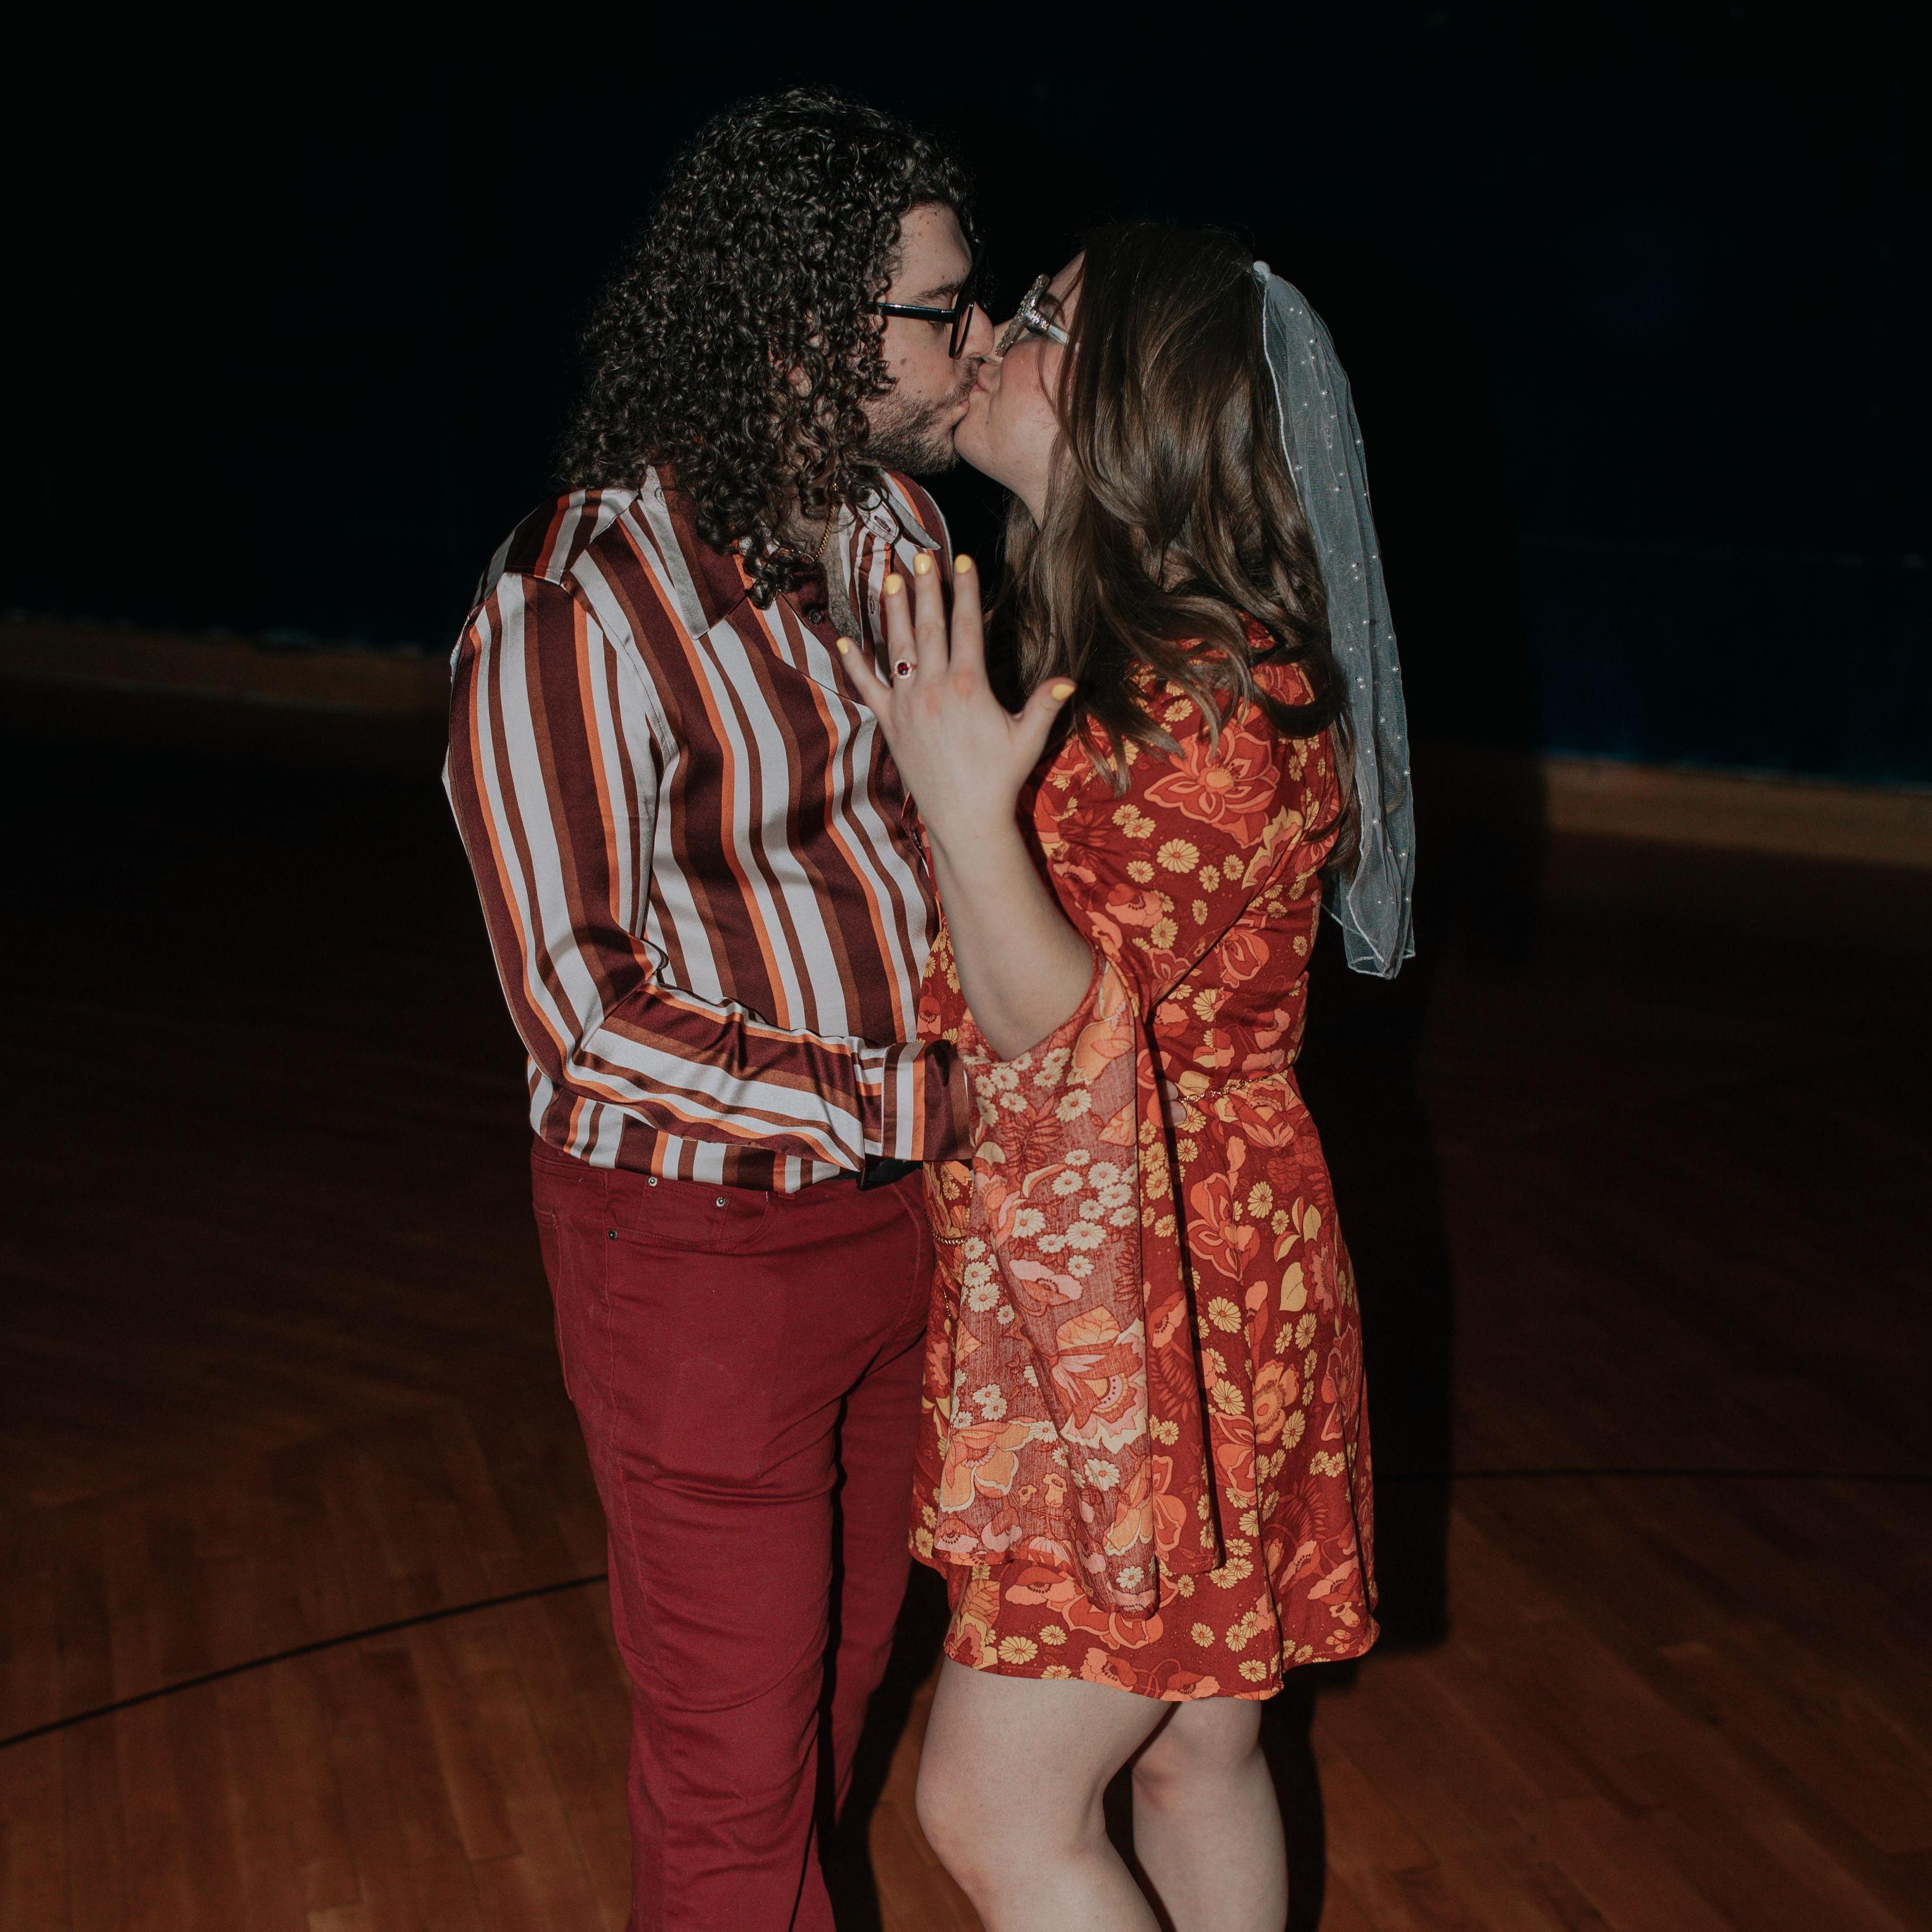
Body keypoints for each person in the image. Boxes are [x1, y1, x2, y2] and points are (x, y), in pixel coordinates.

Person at [443, 87, 995, 1931]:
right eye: (943, 308)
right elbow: (583, 1015)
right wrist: (918, 1096)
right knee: (734, 1778)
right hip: (695, 1251)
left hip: (909, 1226)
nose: (974, 341)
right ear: (804, 325)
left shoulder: (904, 526)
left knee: (826, 1716)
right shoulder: (576, 601)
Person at [840, 221, 1415, 1930]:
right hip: (1196, 1260)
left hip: (1155, 1287)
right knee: (1193, 1754)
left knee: (993, 1813)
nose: (992, 339)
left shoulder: (1214, 695)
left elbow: (1058, 1030)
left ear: (1141, 408)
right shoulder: (1171, 657)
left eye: (1041, 322)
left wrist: (962, 810)